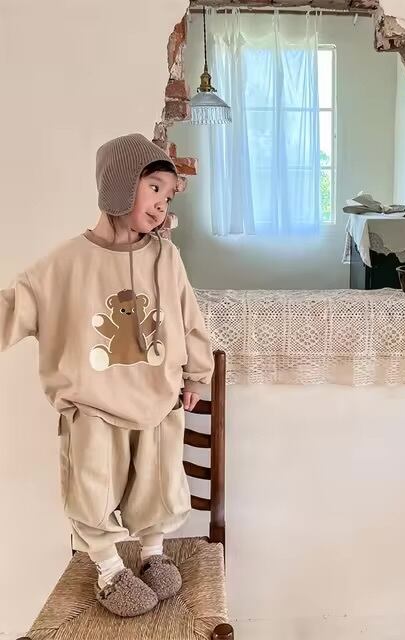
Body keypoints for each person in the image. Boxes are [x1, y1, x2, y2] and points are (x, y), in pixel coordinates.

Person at [0, 133, 213, 617]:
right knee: (92, 485)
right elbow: (13, 308)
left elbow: (190, 319)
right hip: (93, 402)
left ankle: (154, 553)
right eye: (153, 188)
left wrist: (198, 376)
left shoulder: (166, 258)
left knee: (158, 482)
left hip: (157, 397)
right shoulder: (64, 264)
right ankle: (110, 568)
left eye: (168, 196)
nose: (161, 205)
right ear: (119, 184)